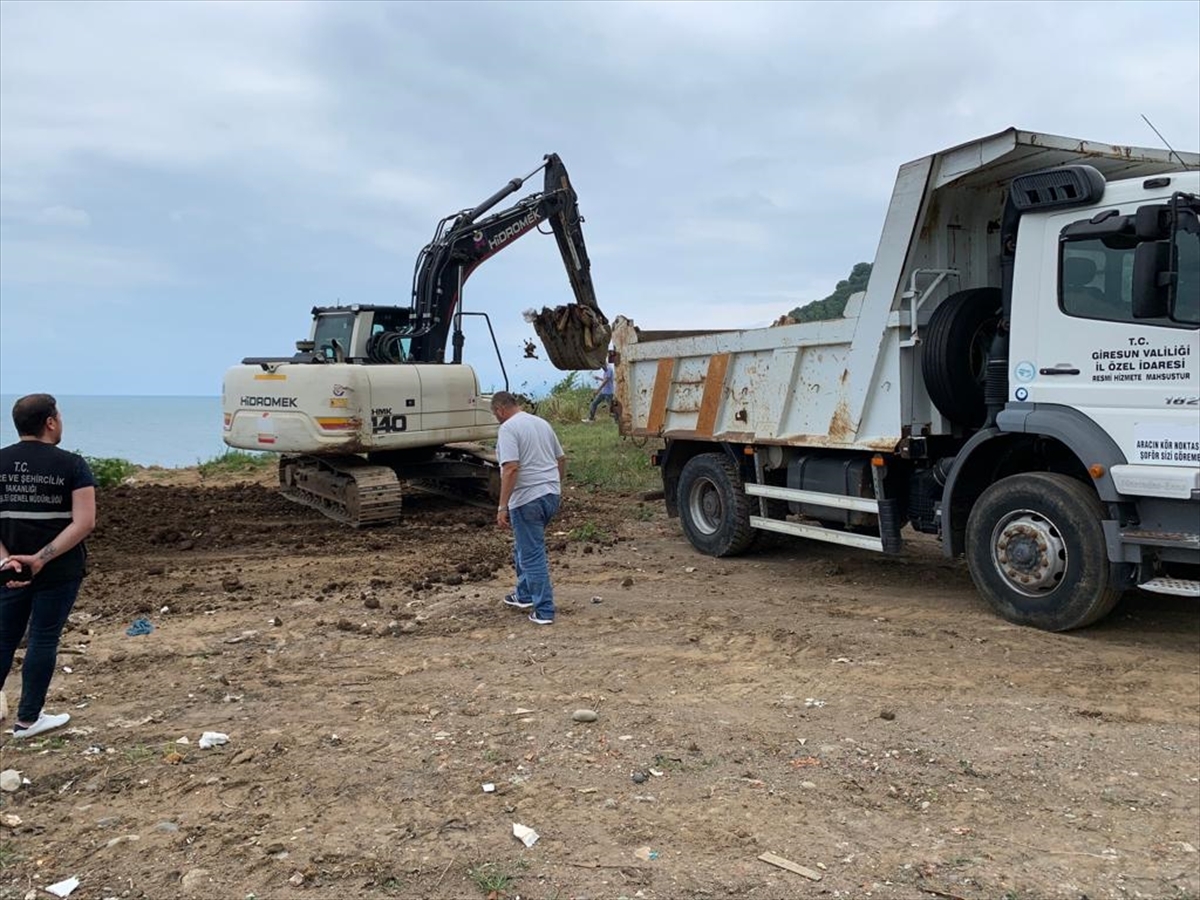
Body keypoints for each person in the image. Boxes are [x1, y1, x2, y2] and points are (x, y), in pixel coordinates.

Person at [0, 394, 96, 739]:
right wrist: (40, 559)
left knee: (4, 638)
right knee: (42, 638)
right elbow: (84, 522)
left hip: (8, 572)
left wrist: (6, 561)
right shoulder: (72, 465)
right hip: (59, 570)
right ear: (51, 422)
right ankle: (28, 720)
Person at [492, 391, 565, 625]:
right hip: (550, 495)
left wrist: (502, 506)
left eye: (496, 415)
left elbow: (511, 468)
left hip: (527, 499)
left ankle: (544, 610)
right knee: (523, 546)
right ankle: (523, 595)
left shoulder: (508, 429)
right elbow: (560, 459)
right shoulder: (541, 423)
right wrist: (555, 485)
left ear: (500, 410)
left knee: (532, 553)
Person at [585, 351, 616, 422]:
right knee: (594, 403)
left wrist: (597, 390)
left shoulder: (609, 369)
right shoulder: (606, 370)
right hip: (604, 392)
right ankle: (591, 419)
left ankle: (617, 420)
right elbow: (606, 380)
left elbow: (605, 381)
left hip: (608, 393)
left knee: (611, 407)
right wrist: (599, 378)